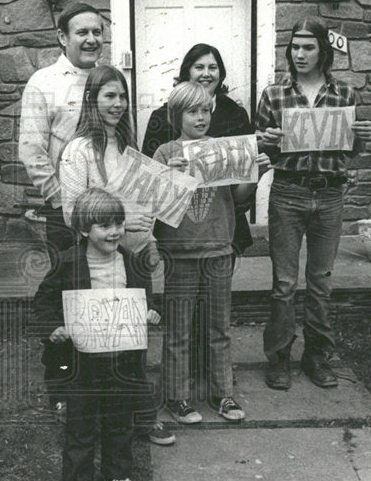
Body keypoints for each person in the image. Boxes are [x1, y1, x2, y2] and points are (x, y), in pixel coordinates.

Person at [255, 16, 371, 392]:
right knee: (284, 283)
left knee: (320, 281)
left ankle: (317, 356)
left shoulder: (345, 95)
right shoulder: (274, 95)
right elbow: (260, 147)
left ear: (323, 50)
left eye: (308, 47)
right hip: (288, 191)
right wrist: (267, 139)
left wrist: (362, 137)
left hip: (330, 193)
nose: (300, 53)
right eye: (295, 47)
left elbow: (351, 151)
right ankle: (279, 358)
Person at [58, 65, 172, 446]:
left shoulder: (128, 150)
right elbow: (72, 212)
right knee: (99, 347)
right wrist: (121, 213)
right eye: (109, 95)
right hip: (99, 263)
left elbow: (148, 206)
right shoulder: (78, 151)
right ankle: (95, 422)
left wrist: (151, 238)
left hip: (135, 260)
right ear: (92, 99)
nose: (117, 104)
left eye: (122, 96)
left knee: (134, 345)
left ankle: (141, 419)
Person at [32, 188, 159, 481]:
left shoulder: (132, 262)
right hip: (80, 363)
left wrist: (149, 314)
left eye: (118, 222)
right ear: (85, 230)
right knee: (80, 425)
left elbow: (146, 300)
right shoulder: (68, 261)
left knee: (120, 420)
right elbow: (42, 304)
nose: (115, 231)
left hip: (122, 361)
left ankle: (117, 475)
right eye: (105, 225)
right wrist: (53, 328)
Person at [152, 82, 270, 424]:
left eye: (205, 110)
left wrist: (257, 174)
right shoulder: (164, 153)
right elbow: (157, 206)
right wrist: (169, 177)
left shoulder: (223, 149)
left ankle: (222, 394)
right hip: (179, 252)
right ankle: (177, 396)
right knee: (178, 329)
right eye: (192, 111)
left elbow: (239, 196)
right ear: (177, 116)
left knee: (220, 326)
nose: (201, 117)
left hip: (220, 246)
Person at [18, 1, 105, 419]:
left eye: (97, 32)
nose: (91, 39)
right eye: (82, 32)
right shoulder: (44, 82)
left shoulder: (107, 80)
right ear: (62, 38)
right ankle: (62, 384)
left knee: (101, 290)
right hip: (66, 214)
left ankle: (101, 379)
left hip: (108, 217)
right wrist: (61, 204)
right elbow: (31, 150)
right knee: (65, 296)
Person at [140, 43, 255, 256]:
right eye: (198, 67)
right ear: (187, 72)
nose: (206, 74)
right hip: (180, 232)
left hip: (222, 226)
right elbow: (149, 179)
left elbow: (243, 176)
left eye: (213, 67)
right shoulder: (162, 116)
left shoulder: (236, 114)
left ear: (221, 73)